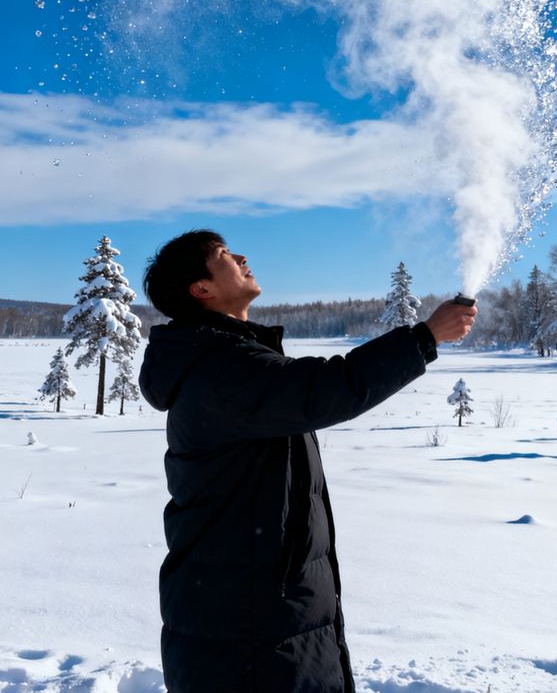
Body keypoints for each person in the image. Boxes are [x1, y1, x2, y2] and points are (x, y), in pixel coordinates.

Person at [139, 229, 476, 693]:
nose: (240, 255)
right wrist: (424, 338)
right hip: (248, 625)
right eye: (222, 255)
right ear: (202, 289)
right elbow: (327, 388)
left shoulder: (221, 357)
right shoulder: (221, 368)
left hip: (258, 607)